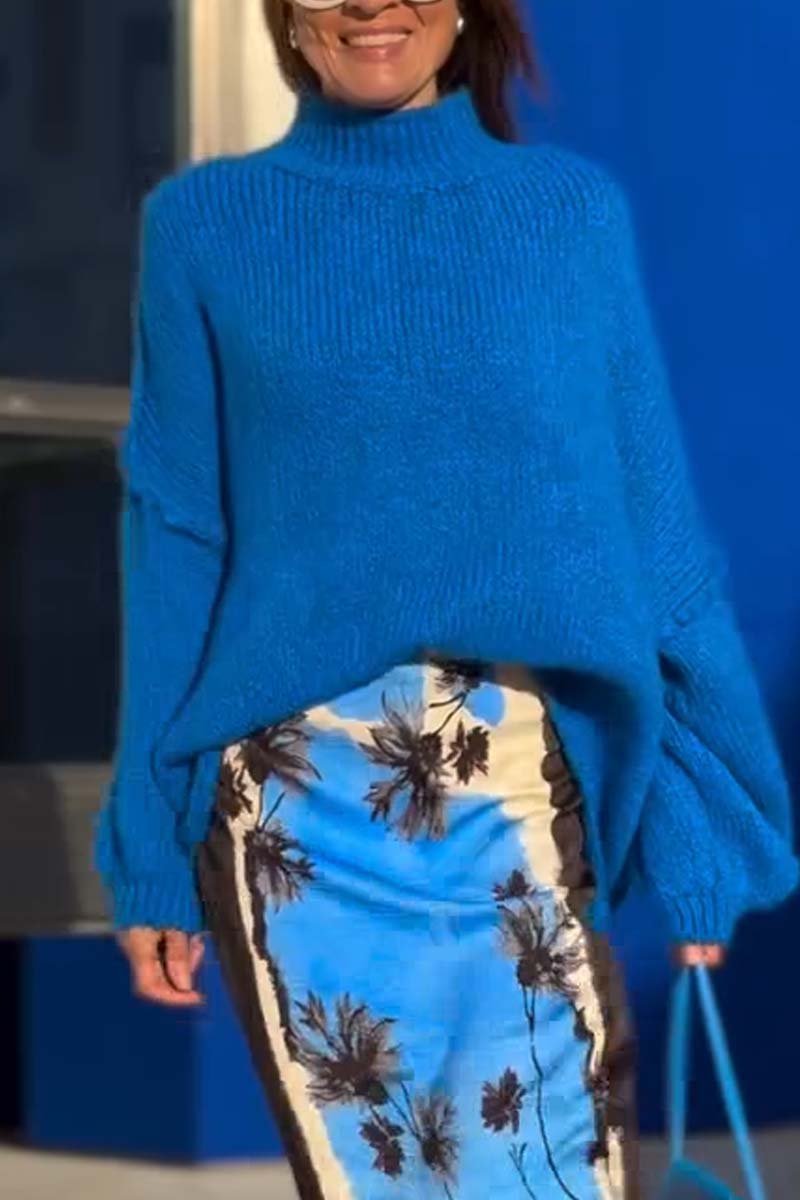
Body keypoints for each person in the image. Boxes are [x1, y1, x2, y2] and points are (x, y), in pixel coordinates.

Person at [94, 1, 799, 1197]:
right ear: (285, 15)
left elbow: (647, 529)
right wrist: (150, 855)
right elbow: (176, 542)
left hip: (520, 805)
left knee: (551, 1175)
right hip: (292, 823)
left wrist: (694, 827)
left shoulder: (562, 214)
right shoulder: (204, 227)